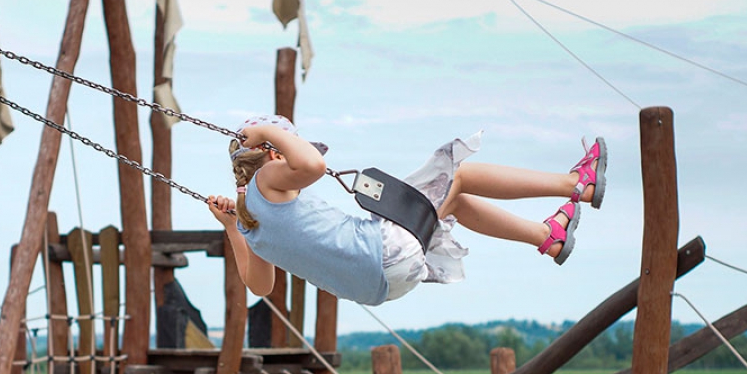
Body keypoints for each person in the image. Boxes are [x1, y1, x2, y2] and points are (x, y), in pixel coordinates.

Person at [208, 114, 606, 306]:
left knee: (453, 201)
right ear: (273, 153)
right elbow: (312, 165)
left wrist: (230, 227)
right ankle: (576, 184)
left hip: (383, 286)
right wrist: (264, 132)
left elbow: (260, 287)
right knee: (457, 175)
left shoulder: (251, 225)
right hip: (383, 251)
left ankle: (548, 237)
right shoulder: (267, 181)